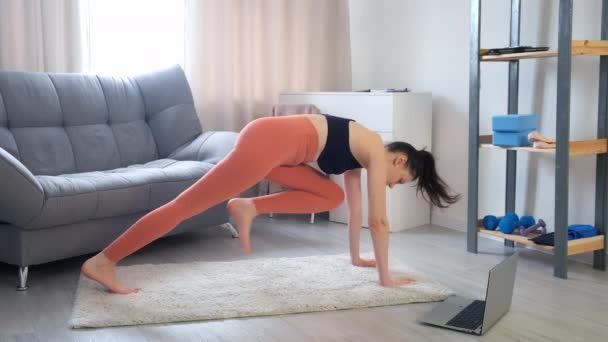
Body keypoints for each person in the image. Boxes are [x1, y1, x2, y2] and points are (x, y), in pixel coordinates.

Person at [81, 113, 459, 294]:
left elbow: (358, 213)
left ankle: (249, 207)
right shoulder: (375, 148)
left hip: (280, 152)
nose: (393, 187)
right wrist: (385, 278)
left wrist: (357, 259)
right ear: (400, 161)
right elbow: (380, 221)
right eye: (401, 181)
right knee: (187, 205)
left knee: (333, 196)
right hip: (269, 142)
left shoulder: (360, 157)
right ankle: (103, 261)